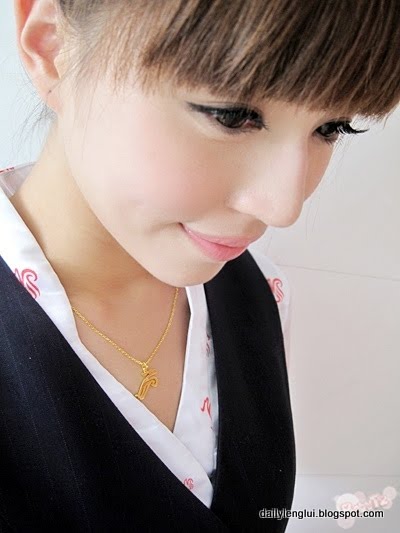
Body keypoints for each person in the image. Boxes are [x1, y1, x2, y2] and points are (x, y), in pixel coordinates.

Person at [0, 0, 399, 531]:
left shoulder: (258, 291)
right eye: (230, 114)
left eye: (332, 127)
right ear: (52, 46)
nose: (284, 207)